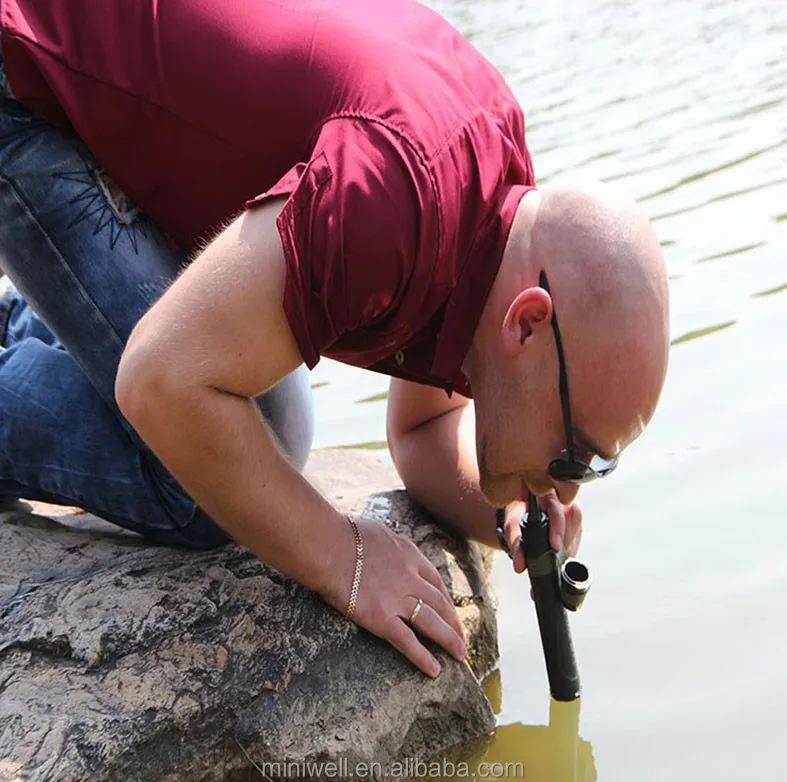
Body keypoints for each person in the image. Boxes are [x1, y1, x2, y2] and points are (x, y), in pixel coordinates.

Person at [0, 0, 669, 679]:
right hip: (27, 73)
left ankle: (27, 322)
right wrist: (341, 556)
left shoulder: (495, 229)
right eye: (574, 455)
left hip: (117, 81)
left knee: (263, 431)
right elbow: (159, 380)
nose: (568, 489)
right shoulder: (397, 203)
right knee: (198, 485)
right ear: (527, 323)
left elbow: (420, 430)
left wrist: (502, 508)